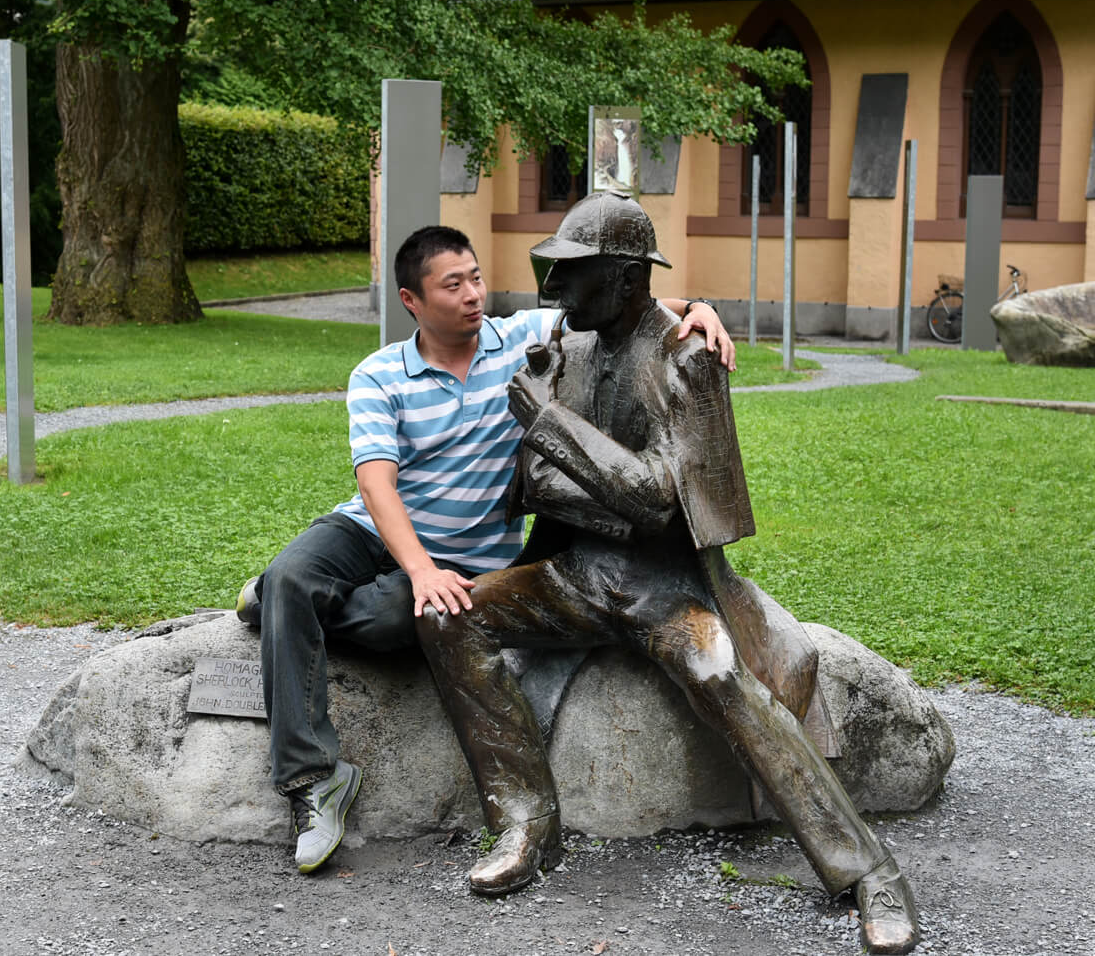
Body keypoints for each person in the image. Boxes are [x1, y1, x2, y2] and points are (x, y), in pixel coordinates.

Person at [416, 193, 920, 955]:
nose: (553, 291)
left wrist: (553, 426)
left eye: (571, 274)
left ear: (621, 280)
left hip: (665, 590)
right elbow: (535, 485)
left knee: (721, 677)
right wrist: (591, 476)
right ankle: (525, 821)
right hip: (576, 573)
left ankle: (870, 874)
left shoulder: (685, 357)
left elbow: (658, 501)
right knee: (447, 614)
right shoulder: (568, 344)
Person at [239, 223, 733, 875]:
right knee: (299, 574)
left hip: (469, 558)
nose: (473, 294)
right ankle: (312, 781)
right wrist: (417, 568)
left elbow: (624, 305)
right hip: (371, 529)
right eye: (453, 285)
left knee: (390, 622)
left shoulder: (522, 339)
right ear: (412, 300)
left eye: (475, 277)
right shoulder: (379, 373)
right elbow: (375, 483)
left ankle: (278, 603)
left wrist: (696, 309)